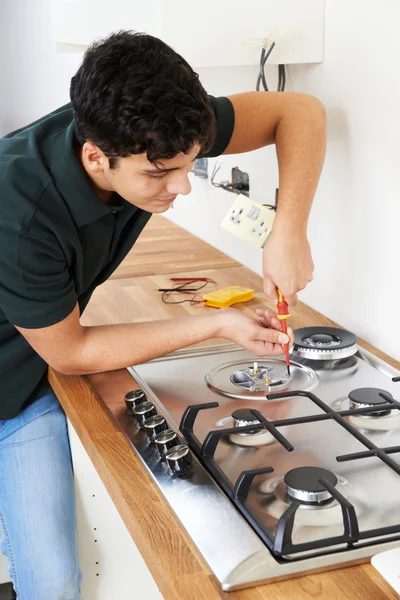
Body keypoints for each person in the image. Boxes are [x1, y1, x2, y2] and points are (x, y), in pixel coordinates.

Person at [0, 30, 326, 598]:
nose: (181, 188)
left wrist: (288, 229)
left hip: (31, 373)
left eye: (189, 165)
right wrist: (219, 322)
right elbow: (72, 352)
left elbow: (298, 110)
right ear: (96, 157)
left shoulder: (150, 125)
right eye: (158, 174)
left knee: (53, 585)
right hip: (23, 384)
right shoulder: (17, 213)